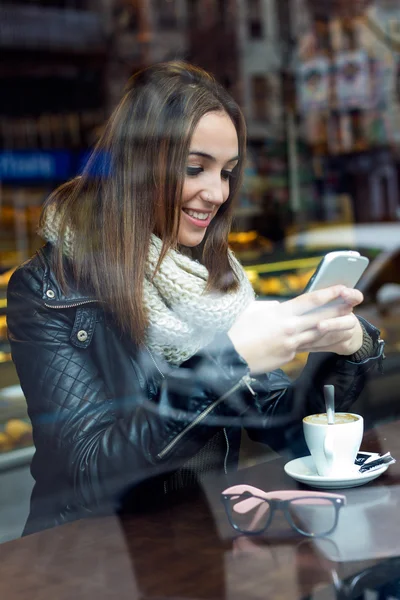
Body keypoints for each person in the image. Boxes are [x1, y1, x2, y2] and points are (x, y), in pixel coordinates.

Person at [7, 62, 384, 535]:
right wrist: (226, 363)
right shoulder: (47, 288)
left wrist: (347, 351)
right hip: (95, 562)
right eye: (194, 168)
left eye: (227, 172)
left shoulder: (212, 282)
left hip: (202, 548)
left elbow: (285, 432)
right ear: (138, 165)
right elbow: (89, 474)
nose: (217, 193)